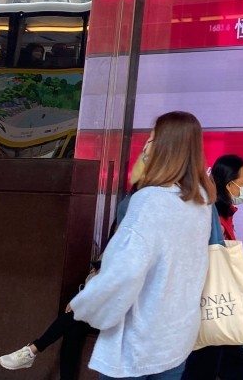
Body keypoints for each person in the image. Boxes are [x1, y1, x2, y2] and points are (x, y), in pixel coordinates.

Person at [71, 111, 215, 380]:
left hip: (138, 343)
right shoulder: (202, 201)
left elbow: (124, 272)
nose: (146, 146)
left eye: (151, 139)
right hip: (176, 338)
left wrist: (86, 303)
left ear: (164, 147)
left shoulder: (149, 200)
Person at [0, 150, 150, 374]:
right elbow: (115, 240)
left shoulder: (153, 201)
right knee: (75, 323)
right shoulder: (133, 197)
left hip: (131, 291)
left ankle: (33, 350)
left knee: (76, 314)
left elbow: (128, 250)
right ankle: (33, 351)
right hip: (113, 280)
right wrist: (94, 276)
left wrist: (91, 289)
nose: (142, 160)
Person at [182, 154, 243, 380]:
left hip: (220, 306)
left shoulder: (225, 213)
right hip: (210, 305)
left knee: (236, 370)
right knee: (210, 369)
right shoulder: (212, 213)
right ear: (230, 183)